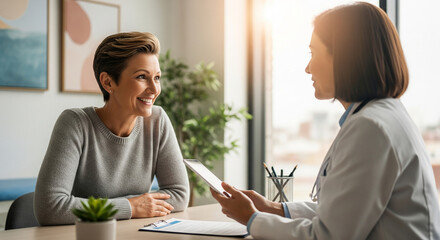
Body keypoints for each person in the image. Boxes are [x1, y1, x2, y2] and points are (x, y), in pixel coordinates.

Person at [211, 2, 440, 239]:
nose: (308, 68)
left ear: (344, 58)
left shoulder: (371, 127)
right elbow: (342, 212)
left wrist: (251, 219)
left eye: (313, 53)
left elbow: (328, 236)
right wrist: (273, 208)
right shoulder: (383, 116)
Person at [34, 32, 189, 225]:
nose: (154, 89)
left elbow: (179, 194)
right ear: (108, 82)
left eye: (157, 78)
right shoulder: (75, 123)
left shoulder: (158, 120)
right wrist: (130, 207)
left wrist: (125, 207)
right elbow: (50, 207)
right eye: (142, 77)